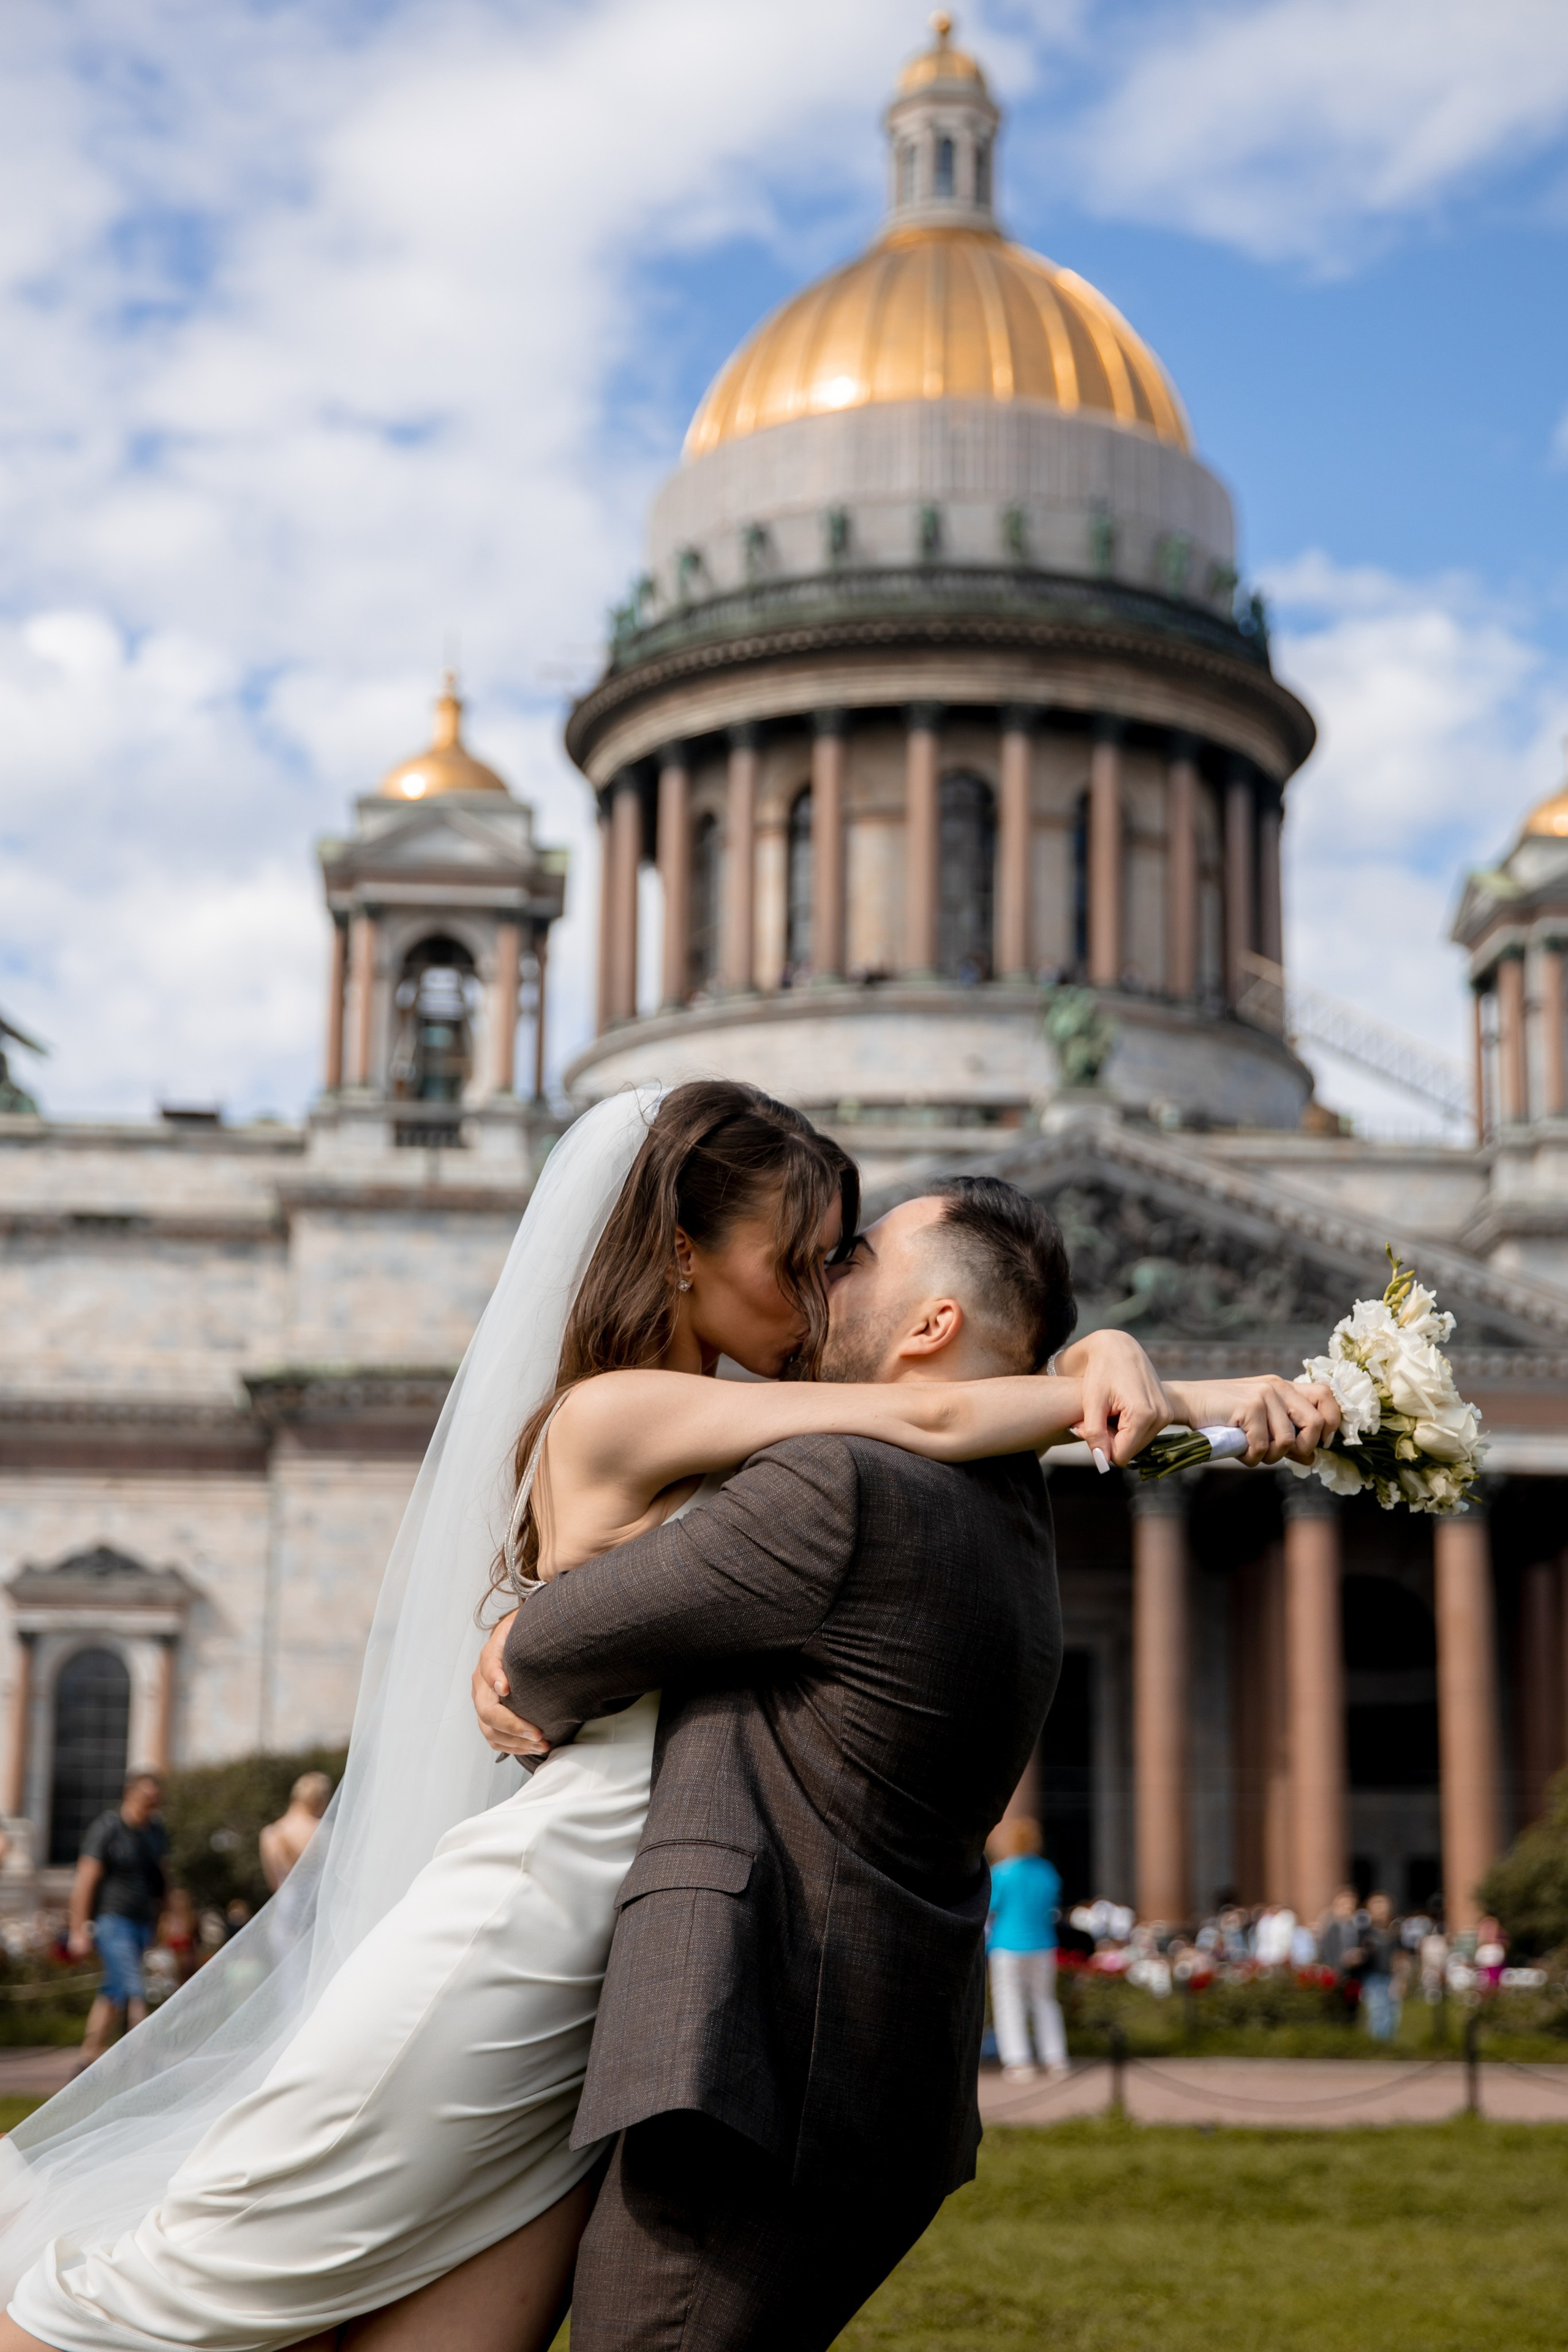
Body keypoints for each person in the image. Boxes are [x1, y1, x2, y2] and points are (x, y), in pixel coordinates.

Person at [0, 1082, 1338, 2352]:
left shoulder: (768, 1430)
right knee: (150, 2309)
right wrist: (1179, 1394)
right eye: (797, 1257)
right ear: (683, 1255)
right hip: (528, 1933)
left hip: (621, 1981)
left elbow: (935, 1410)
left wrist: (1102, 1349)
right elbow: (928, 1410)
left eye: (838, 1261)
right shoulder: (628, 1411)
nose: (817, 1290)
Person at [64, 1773, 167, 2068]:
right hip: (112, 1920)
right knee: (134, 1985)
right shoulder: (108, 1828)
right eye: (146, 1799)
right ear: (129, 1794)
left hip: (141, 1920)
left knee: (114, 1987)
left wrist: (169, 1916)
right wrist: (78, 1929)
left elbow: (163, 1877)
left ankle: (89, 2055)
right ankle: (143, 2058)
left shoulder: (155, 1831)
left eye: (155, 1801)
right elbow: (85, 1880)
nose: (151, 1806)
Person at [986, 1818, 1068, 2083]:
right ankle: (1056, 2058)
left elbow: (990, 1908)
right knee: (1045, 2001)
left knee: (1009, 2003)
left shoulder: (1002, 1872)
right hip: (1042, 1943)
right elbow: (1051, 1903)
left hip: (1007, 1945)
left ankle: (1019, 2062)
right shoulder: (1047, 1871)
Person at [258, 1772, 333, 1891]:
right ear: (321, 1800)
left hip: (287, 1902)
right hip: (321, 1899)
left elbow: (273, 1882)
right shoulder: (323, 1829)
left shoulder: (270, 1833)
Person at [1359, 1892, 1400, 2042]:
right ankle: (1377, 2046)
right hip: (1373, 1977)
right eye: (1376, 1905)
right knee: (1377, 2012)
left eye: (1382, 1904)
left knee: (1392, 2012)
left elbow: (1399, 1955)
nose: (1380, 1909)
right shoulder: (1365, 1932)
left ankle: (1388, 2045)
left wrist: (1401, 1977)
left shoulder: (1394, 1932)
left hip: (1391, 1977)